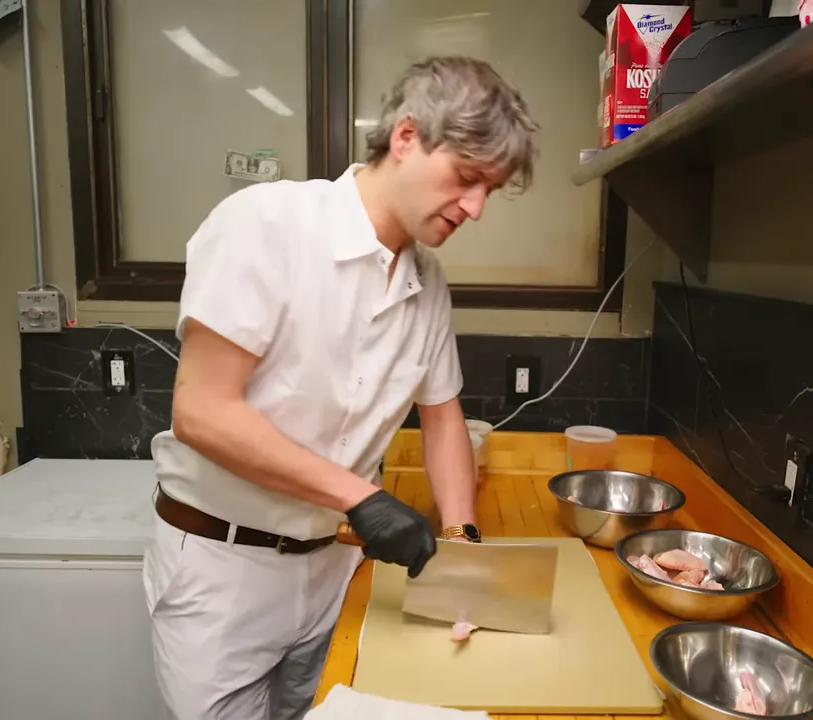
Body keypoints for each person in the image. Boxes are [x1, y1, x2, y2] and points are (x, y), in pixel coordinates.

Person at [141, 55, 539, 720]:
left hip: (333, 572)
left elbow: (442, 418)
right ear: (407, 137)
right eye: (468, 178)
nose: (475, 207)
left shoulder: (426, 282)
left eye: (489, 191)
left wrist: (462, 542)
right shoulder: (266, 225)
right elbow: (203, 412)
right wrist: (364, 498)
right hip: (222, 567)